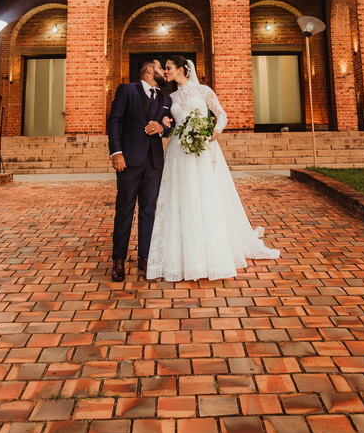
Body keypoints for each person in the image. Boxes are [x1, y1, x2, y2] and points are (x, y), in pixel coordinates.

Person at [146, 54, 280, 281]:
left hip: (202, 149)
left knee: (204, 195)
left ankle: (210, 253)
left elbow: (221, 115)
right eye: (165, 68)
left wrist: (212, 134)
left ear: (181, 70)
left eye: (168, 68)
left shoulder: (203, 91)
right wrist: (164, 124)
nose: (165, 72)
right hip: (178, 151)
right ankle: (181, 253)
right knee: (180, 196)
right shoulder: (171, 97)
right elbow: (170, 122)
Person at [106, 58, 173, 282]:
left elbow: (170, 123)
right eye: (161, 68)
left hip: (154, 162)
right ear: (149, 70)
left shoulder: (165, 98)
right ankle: (118, 260)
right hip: (129, 160)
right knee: (124, 210)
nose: (164, 72)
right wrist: (116, 152)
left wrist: (161, 127)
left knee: (148, 211)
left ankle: (145, 257)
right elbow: (114, 121)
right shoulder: (127, 90)